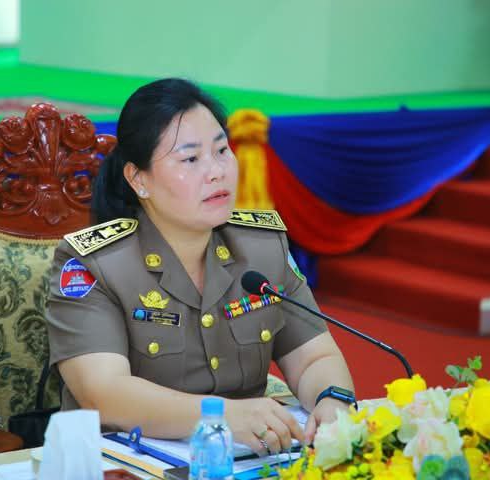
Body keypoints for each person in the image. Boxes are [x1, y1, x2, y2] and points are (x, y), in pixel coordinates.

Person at [46, 78, 354, 455]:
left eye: (222, 150)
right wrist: (221, 416)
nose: (216, 171)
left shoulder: (262, 248)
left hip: (246, 461)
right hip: (126, 464)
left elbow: (314, 358)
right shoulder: (94, 264)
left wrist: (332, 401)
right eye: (191, 159)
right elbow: (104, 394)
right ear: (138, 179)